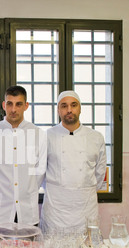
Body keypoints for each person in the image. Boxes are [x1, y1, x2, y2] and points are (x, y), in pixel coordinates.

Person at [40, 90, 107, 232]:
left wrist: (83, 189)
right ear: (58, 110)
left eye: (73, 105)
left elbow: (100, 174)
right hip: (55, 211)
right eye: (64, 106)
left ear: (80, 108)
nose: (69, 110)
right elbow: (40, 174)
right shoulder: (47, 137)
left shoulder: (96, 137)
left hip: (86, 209)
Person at [0, 86, 47, 227]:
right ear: (4, 105)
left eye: (18, 104)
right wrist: (0, 194)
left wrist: (27, 191)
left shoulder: (38, 134)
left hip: (28, 213)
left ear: (26, 106)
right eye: (9, 104)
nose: (13, 109)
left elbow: (40, 172)